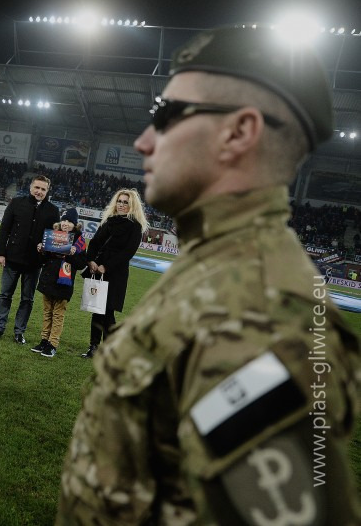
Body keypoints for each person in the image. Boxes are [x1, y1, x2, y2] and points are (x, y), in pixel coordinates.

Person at [57, 26, 361, 524]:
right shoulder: (217, 267)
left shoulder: (260, 315)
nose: (142, 141)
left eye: (167, 115)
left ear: (238, 132)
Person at [0, 175, 59, 344]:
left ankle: (19, 332)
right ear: (30, 187)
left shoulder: (53, 211)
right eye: (37, 187)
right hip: (12, 258)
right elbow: (4, 229)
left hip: (34, 263)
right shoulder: (16, 203)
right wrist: (0, 253)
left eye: (43, 189)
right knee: (5, 295)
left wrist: (46, 253)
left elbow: (54, 238)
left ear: (47, 191)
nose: (39, 191)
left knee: (27, 299)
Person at [80, 189, 147, 359]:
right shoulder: (108, 221)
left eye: (125, 202)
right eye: (119, 201)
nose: (121, 204)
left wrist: (107, 266)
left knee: (108, 310)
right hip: (98, 270)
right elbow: (94, 243)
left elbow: (128, 252)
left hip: (116, 273)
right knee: (97, 310)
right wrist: (91, 261)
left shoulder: (135, 226)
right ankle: (94, 347)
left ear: (132, 205)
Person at [31, 208, 87, 358]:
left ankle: (53, 344)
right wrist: (41, 250)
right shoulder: (52, 236)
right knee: (47, 312)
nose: (66, 224)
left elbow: (82, 264)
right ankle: (44, 341)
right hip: (48, 280)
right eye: (64, 220)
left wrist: (73, 254)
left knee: (58, 315)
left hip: (63, 284)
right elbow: (44, 260)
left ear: (75, 224)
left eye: (70, 221)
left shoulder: (80, 241)